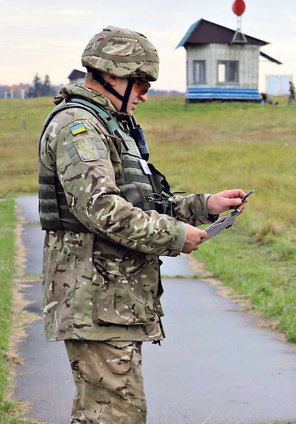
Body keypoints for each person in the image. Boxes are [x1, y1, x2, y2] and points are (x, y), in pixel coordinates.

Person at [37, 26, 248, 424]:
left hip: (112, 299)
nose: (145, 94)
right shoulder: (79, 127)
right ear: (112, 75)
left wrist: (205, 205)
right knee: (115, 415)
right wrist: (175, 236)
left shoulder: (110, 124)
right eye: (141, 83)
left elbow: (143, 201)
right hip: (96, 300)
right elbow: (101, 208)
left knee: (108, 413)